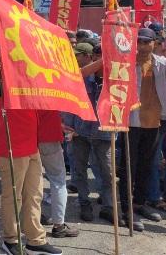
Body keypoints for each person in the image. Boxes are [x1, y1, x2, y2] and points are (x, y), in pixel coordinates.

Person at [0, 57, 62, 255]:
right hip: (10, 147)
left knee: (34, 194)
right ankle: (10, 239)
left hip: (31, 145)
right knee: (13, 196)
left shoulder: (33, 79)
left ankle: (35, 239)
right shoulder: (7, 77)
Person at [119, 27, 166, 231]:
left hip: (154, 123)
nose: (142, 46)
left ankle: (139, 204)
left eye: (146, 42)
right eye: (139, 42)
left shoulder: (162, 64)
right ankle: (126, 209)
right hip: (130, 123)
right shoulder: (124, 63)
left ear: (155, 44)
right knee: (127, 167)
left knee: (146, 165)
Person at [63, 43, 116, 225]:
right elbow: (71, 97)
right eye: (100, 56)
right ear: (94, 57)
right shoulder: (84, 77)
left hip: (104, 132)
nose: (103, 60)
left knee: (107, 172)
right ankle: (84, 202)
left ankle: (109, 206)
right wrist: (68, 127)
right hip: (81, 130)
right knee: (79, 170)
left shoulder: (115, 80)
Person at [37, 109, 79, 237]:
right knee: (58, 181)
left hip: (28, 136)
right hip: (49, 135)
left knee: (33, 180)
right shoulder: (50, 89)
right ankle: (59, 225)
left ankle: (35, 217)